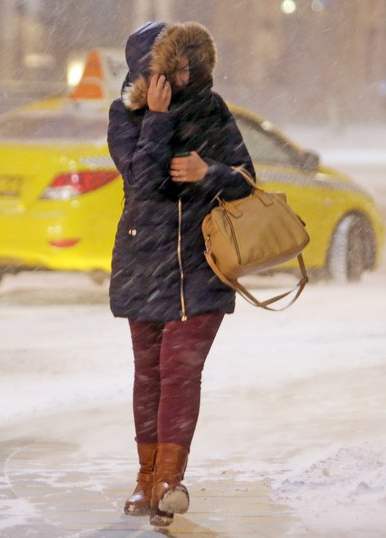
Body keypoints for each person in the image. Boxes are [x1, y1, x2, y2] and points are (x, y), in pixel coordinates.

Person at [107, 21, 255, 527]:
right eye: (171, 65)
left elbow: (246, 177)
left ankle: (171, 480)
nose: (182, 73)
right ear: (145, 72)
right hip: (144, 262)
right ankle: (146, 480)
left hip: (201, 264)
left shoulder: (213, 109)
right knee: (149, 375)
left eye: (188, 63)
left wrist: (207, 173)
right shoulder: (124, 116)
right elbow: (143, 180)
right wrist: (158, 118)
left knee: (180, 371)